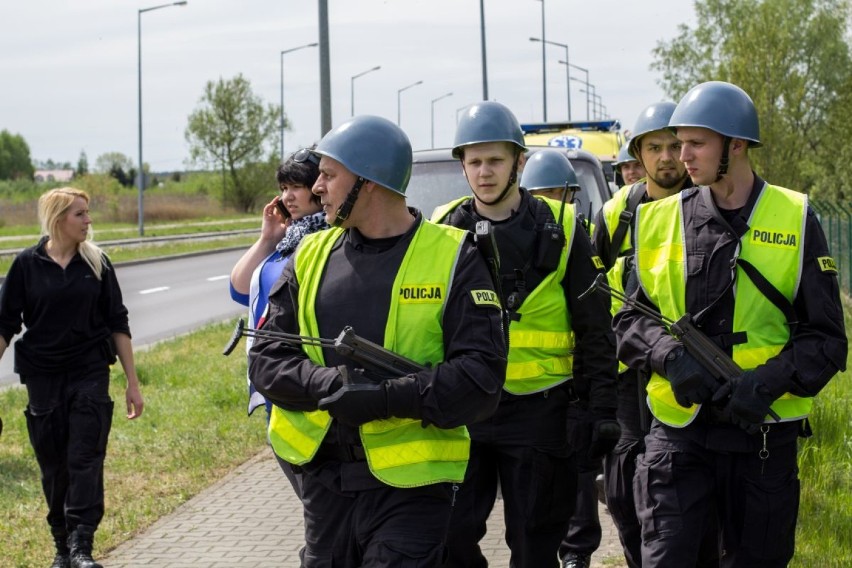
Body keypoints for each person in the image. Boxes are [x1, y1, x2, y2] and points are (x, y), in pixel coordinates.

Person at [247, 115, 507, 567]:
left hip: (413, 491)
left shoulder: (455, 256)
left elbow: (481, 380)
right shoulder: (309, 255)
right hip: (325, 485)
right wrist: (328, 385)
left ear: (368, 181)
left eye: (329, 175)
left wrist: (383, 397)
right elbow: (267, 359)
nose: (318, 188)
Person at [613, 81, 848, 566]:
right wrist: (671, 358)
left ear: (736, 145)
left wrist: (766, 384)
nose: (683, 156)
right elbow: (629, 318)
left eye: (696, 143)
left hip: (761, 439)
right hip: (678, 438)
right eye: (679, 143)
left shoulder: (796, 216)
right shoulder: (655, 220)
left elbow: (826, 339)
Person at [433, 101, 619, 568]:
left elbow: (595, 327)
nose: (484, 172)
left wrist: (597, 411)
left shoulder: (563, 225)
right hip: (465, 409)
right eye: (473, 162)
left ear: (519, 161)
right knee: (448, 538)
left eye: (494, 160)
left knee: (535, 544)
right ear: (462, 166)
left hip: (540, 413)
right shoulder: (442, 228)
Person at [0, 187, 144, 568]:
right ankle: (61, 547)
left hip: (89, 371)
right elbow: (4, 326)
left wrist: (132, 382)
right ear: (58, 218)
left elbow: (118, 322)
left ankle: (82, 545)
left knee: (85, 456)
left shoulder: (98, 264)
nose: (88, 220)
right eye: (80, 214)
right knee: (53, 463)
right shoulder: (26, 266)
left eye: (88, 212)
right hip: (42, 377)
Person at [229, 147, 328, 497]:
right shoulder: (287, 241)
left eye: (296, 186)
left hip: (303, 378)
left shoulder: (326, 240)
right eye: (284, 187)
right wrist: (267, 238)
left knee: (317, 489)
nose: (288, 196)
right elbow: (239, 289)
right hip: (274, 378)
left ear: (320, 186)